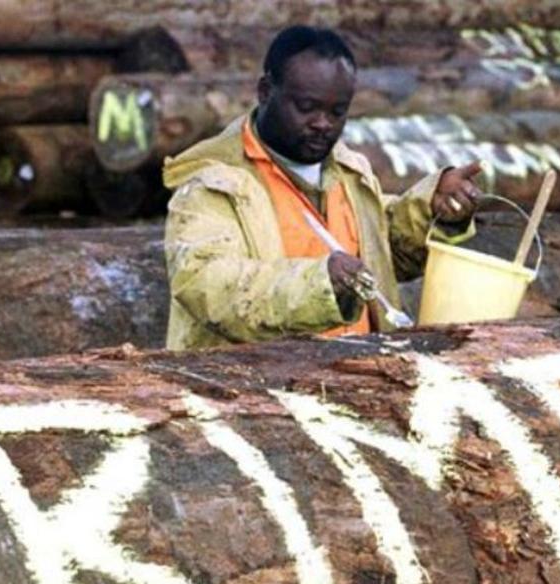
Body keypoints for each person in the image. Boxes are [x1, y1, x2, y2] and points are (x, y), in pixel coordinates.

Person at [162, 26, 482, 350]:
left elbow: (382, 258)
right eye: (306, 107)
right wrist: (319, 284)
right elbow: (207, 286)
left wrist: (434, 211)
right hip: (256, 392)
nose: (323, 123)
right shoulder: (212, 185)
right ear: (265, 91)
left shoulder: (349, 172)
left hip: (363, 383)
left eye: (337, 111)